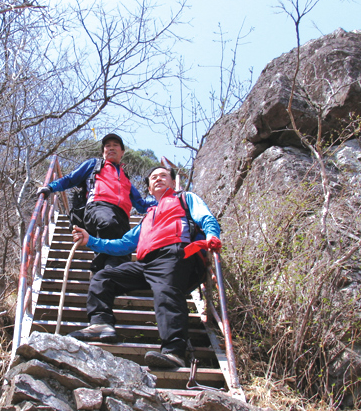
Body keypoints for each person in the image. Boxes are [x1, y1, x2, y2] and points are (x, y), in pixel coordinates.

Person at [67, 166, 222, 369]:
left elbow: (206, 217)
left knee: (166, 293)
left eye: (163, 176)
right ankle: (101, 323)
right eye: (153, 178)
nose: (158, 179)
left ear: (173, 182)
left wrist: (212, 234)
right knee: (104, 277)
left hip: (176, 253)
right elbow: (124, 243)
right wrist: (91, 240)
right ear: (149, 189)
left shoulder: (185, 199)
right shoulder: (148, 217)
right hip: (147, 263)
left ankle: (174, 352)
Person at [36, 133, 156, 272]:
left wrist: (168, 201)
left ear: (122, 152)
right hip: (98, 208)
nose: (111, 148)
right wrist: (50, 188)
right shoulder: (94, 165)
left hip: (122, 217)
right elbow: (70, 179)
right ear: (103, 151)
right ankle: (99, 268)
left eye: (115, 145)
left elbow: (141, 205)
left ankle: (105, 281)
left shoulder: (126, 179)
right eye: (107, 146)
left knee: (122, 254)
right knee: (108, 224)